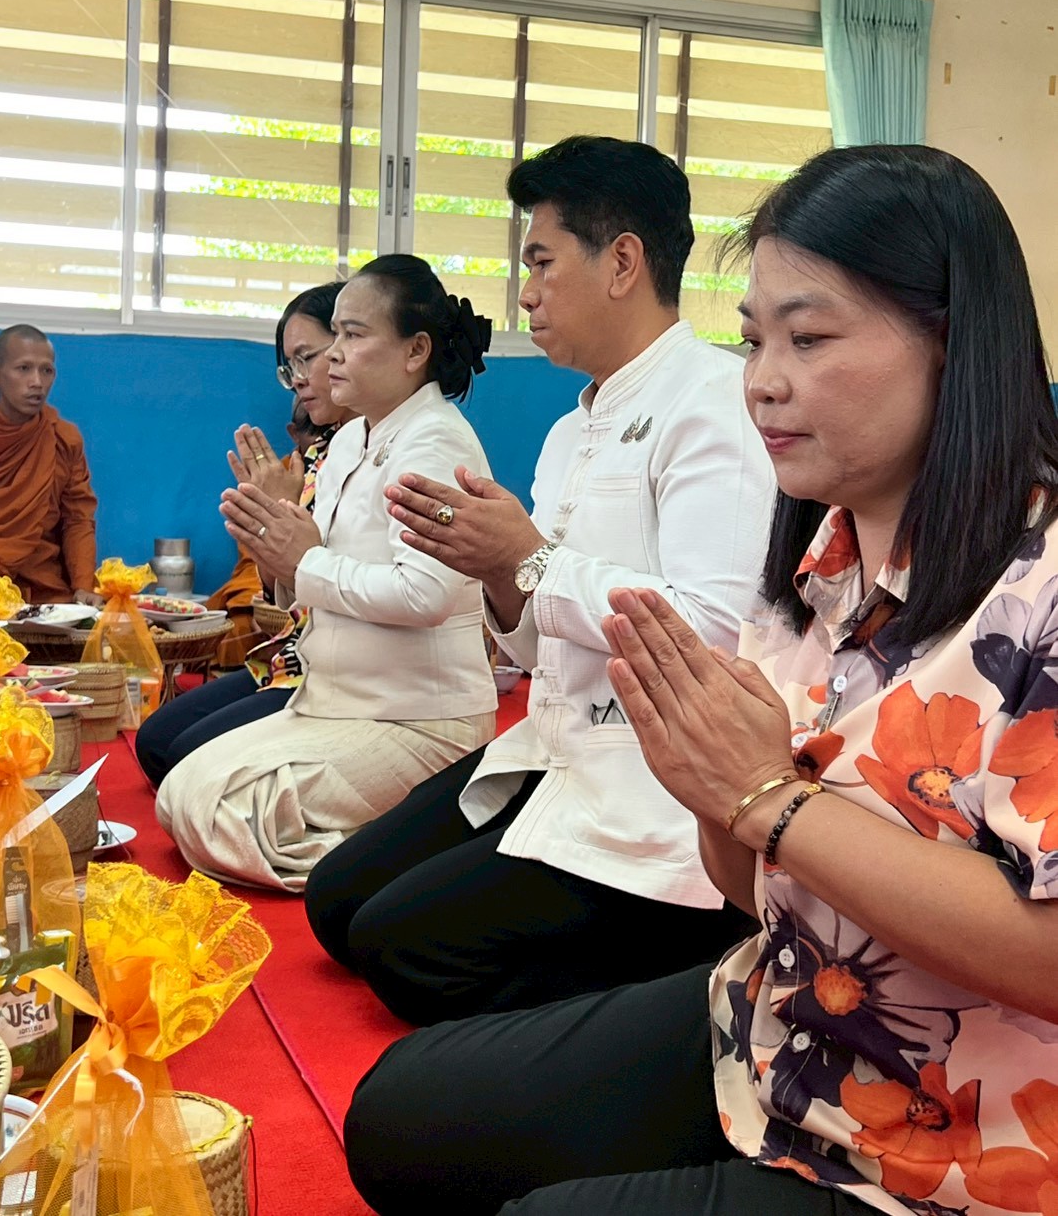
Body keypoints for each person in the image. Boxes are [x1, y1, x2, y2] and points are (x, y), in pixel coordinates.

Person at [343, 144, 1058, 1216]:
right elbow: (745, 874)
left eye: (808, 338)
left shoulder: (1036, 591)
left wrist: (768, 798)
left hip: (955, 1129)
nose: (761, 380)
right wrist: (721, 785)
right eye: (754, 338)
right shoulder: (821, 559)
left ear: (952, 344)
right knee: (399, 1115)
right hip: (781, 1009)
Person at [303, 135, 773, 1026]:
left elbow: (717, 627)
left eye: (541, 261)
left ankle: (684, 967)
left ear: (623, 261)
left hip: (649, 777)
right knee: (337, 903)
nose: (524, 292)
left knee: (399, 948)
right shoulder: (570, 430)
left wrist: (528, 559)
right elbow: (533, 632)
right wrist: (498, 573)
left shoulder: (715, 402)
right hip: (553, 744)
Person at [155, 255, 499, 891]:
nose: (332, 356)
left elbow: (425, 593)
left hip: (417, 719)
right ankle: (390, 844)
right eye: (333, 335)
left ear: (415, 350)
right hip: (334, 703)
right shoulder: (346, 441)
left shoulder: (437, 443)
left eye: (354, 335)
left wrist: (303, 559)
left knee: (218, 813)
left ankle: (399, 860)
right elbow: (308, 583)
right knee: (179, 792)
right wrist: (279, 544)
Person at [135, 283, 352, 787]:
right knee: (155, 744)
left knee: (186, 759)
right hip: (290, 649)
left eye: (307, 359)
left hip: (339, 666)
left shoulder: (383, 450)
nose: (298, 380)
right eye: (289, 367)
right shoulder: (317, 455)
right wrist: (268, 525)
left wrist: (281, 515)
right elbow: (285, 587)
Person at [0, 324, 98, 604]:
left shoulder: (62, 439)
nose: (37, 382)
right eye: (23, 369)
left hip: (41, 591)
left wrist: (83, 586)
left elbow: (78, 519)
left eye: (46, 371)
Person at [203, 397, 328, 669]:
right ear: (294, 434)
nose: (322, 441)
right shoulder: (275, 474)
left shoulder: (354, 464)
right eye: (313, 430)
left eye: (330, 430)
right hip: (274, 590)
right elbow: (255, 557)